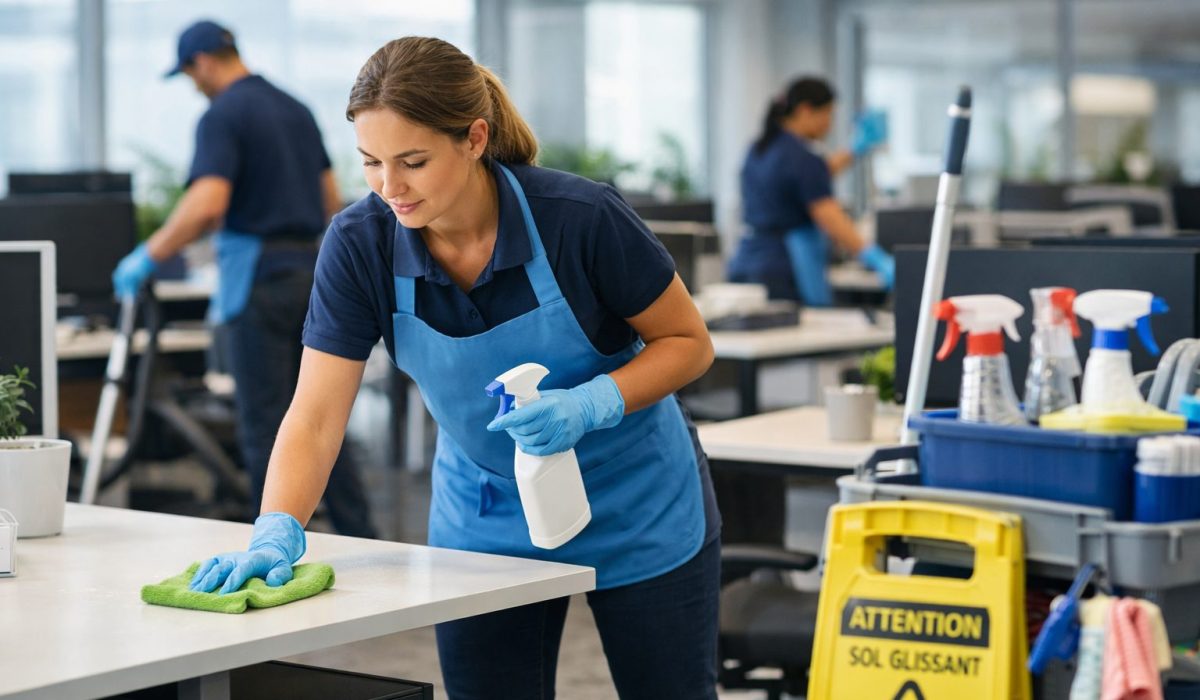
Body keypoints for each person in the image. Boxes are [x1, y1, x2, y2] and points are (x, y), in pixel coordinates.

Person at [187, 36, 723, 699]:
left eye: (413, 162)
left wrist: (591, 403)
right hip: (485, 517)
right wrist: (276, 528)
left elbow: (688, 342)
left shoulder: (579, 220)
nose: (390, 188)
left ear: (474, 138)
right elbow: (317, 416)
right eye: (371, 163)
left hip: (635, 501)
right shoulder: (360, 245)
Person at [111, 20, 375, 538]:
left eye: (190, 74)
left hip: (259, 283)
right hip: (313, 278)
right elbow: (329, 198)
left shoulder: (222, 114)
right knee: (323, 418)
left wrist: (148, 254)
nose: (194, 86)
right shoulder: (295, 109)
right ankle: (357, 533)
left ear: (203, 62)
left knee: (265, 425)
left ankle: (269, 546)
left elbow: (207, 203)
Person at [727, 76, 895, 306]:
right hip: (784, 269)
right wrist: (873, 256)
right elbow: (829, 216)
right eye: (828, 114)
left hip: (747, 262)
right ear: (806, 110)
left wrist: (854, 149)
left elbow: (811, 178)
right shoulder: (803, 158)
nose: (830, 124)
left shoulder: (758, 149)